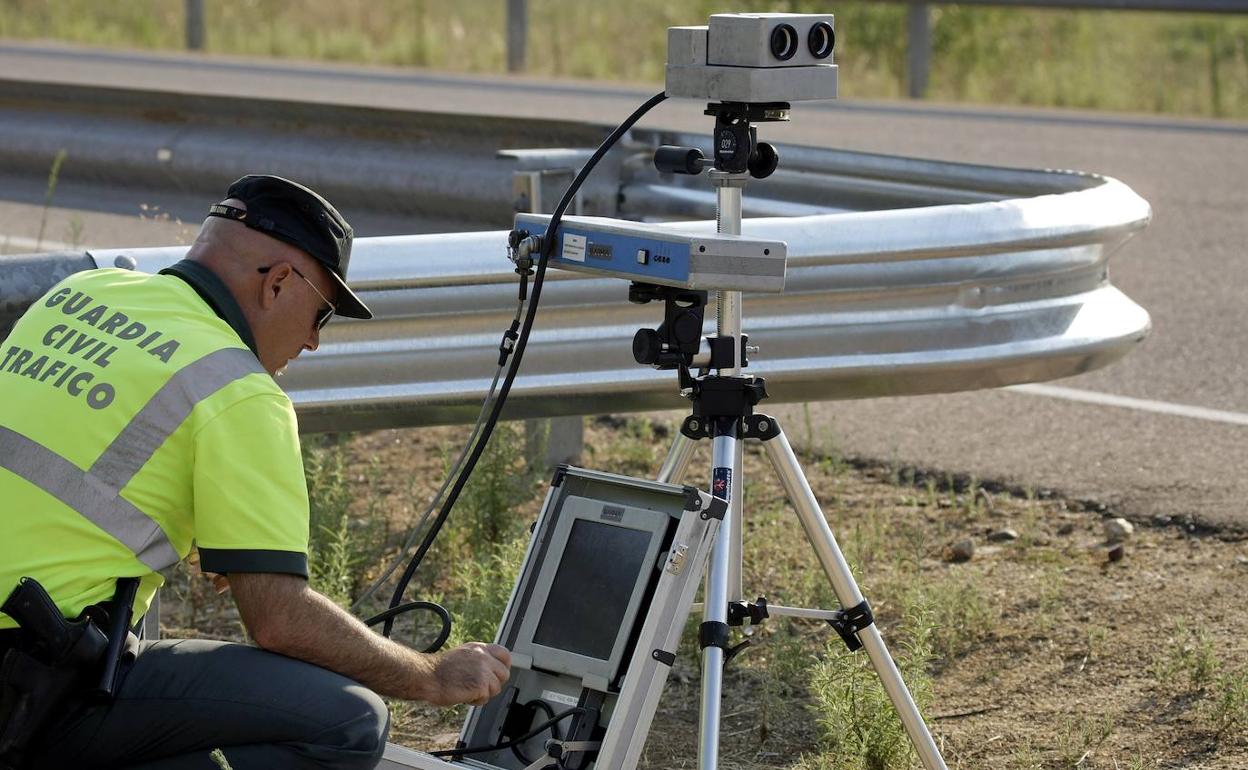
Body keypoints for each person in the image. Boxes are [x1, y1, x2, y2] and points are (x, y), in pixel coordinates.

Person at [0, 175, 511, 769]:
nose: (315, 341)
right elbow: (279, 620)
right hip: (30, 684)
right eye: (322, 314)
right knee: (348, 720)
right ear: (277, 283)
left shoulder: (83, 292)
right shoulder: (238, 389)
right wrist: (432, 676)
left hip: (24, 650)